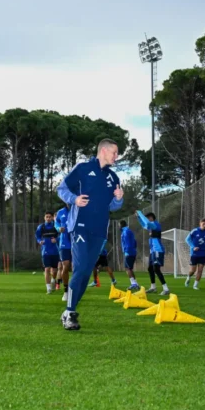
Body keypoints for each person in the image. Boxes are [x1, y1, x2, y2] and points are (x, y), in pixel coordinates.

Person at [56, 138, 124, 330]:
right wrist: (74, 199)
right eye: (114, 152)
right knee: (80, 268)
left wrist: (119, 199)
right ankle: (70, 313)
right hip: (80, 226)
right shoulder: (83, 168)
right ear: (103, 150)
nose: (116, 157)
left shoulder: (113, 178)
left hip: (100, 230)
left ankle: (69, 310)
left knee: (86, 272)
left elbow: (113, 206)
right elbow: (61, 189)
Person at [135, 210, 169, 295]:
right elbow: (144, 225)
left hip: (158, 250)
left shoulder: (155, 224)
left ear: (151, 218)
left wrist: (140, 213)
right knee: (150, 268)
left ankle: (166, 288)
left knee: (156, 269)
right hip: (152, 251)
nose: (146, 219)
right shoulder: (150, 226)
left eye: (147, 217)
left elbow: (146, 223)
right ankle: (153, 287)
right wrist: (138, 218)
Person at [35, 212, 60, 294]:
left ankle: (53, 280)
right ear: (44, 218)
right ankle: (48, 288)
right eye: (47, 217)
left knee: (55, 270)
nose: (48, 218)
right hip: (45, 251)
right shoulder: (41, 227)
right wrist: (39, 241)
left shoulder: (56, 226)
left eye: (50, 217)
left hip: (55, 251)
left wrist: (56, 240)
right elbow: (37, 236)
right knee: (47, 269)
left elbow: (61, 235)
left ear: (53, 218)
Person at [185, 219, 205, 290]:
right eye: (203, 224)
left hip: (202, 254)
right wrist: (193, 247)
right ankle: (188, 276)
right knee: (193, 270)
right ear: (200, 223)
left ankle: (195, 285)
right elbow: (187, 239)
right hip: (194, 254)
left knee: (200, 270)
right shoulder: (194, 231)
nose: (204, 225)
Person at [55, 205, 72, 301]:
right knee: (65, 266)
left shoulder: (78, 209)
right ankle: (66, 291)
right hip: (64, 243)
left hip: (76, 242)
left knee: (75, 267)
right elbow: (56, 222)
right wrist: (58, 228)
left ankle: (74, 289)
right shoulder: (60, 212)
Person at [120, 220, 140, 291]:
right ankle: (136, 284)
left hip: (129, 252)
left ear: (121, 225)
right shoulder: (129, 231)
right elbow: (134, 242)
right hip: (133, 251)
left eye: (119, 225)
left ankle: (133, 284)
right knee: (130, 268)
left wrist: (127, 251)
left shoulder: (125, 232)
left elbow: (127, 242)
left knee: (127, 268)